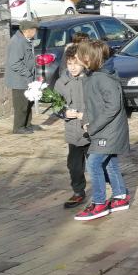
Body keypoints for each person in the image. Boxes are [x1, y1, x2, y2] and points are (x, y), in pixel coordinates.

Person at [73, 40, 132, 221]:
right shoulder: (93, 75)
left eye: (79, 56)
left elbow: (113, 106)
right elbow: (93, 104)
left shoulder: (103, 78)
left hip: (108, 131)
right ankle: (120, 196)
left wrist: (93, 126)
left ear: (88, 58)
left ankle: (99, 203)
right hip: (105, 129)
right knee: (109, 163)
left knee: (93, 163)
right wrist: (86, 119)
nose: (76, 59)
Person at [55, 44, 90, 209]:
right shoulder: (62, 82)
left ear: (84, 62)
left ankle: (106, 192)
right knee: (74, 165)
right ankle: (78, 192)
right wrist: (63, 112)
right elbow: (56, 104)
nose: (73, 67)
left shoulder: (91, 79)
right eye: (70, 64)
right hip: (73, 131)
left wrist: (88, 116)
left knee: (98, 164)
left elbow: (99, 103)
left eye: (76, 63)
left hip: (91, 130)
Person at [5, 19, 40, 135]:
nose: (36, 32)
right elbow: (14, 63)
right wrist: (27, 73)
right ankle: (19, 127)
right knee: (21, 105)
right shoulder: (17, 42)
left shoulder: (25, 40)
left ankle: (27, 124)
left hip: (26, 80)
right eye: (35, 30)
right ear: (28, 31)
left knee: (28, 103)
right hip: (19, 80)